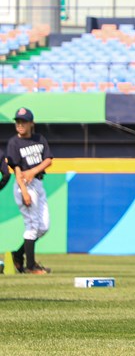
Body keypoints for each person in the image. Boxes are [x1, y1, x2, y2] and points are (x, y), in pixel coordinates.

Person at [6, 107, 54, 274]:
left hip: (38, 182)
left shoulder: (39, 139)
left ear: (31, 123)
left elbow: (48, 159)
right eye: (18, 121)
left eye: (23, 122)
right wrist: (24, 191)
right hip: (24, 185)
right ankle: (30, 266)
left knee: (44, 227)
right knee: (32, 225)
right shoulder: (14, 142)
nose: (20, 124)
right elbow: (16, 169)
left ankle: (18, 255)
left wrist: (33, 171)